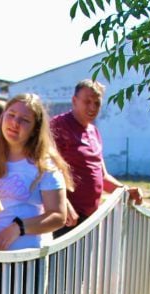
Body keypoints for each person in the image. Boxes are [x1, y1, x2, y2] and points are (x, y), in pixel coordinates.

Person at [51, 79, 141, 237]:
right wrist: (63, 203)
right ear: (74, 101)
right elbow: (46, 170)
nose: (92, 107)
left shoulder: (94, 132)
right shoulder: (58, 127)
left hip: (90, 219)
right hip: (66, 219)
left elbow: (102, 176)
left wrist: (126, 191)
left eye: (97, 103)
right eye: (87, 102)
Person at [0, 93, 70, 251]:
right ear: (2, 117)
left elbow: (58, 216)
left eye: (25, 120)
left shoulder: (45, 164)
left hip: (27, 262)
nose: (15, 123)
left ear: (35, 129)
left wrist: (19, 228)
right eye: (11, 115)